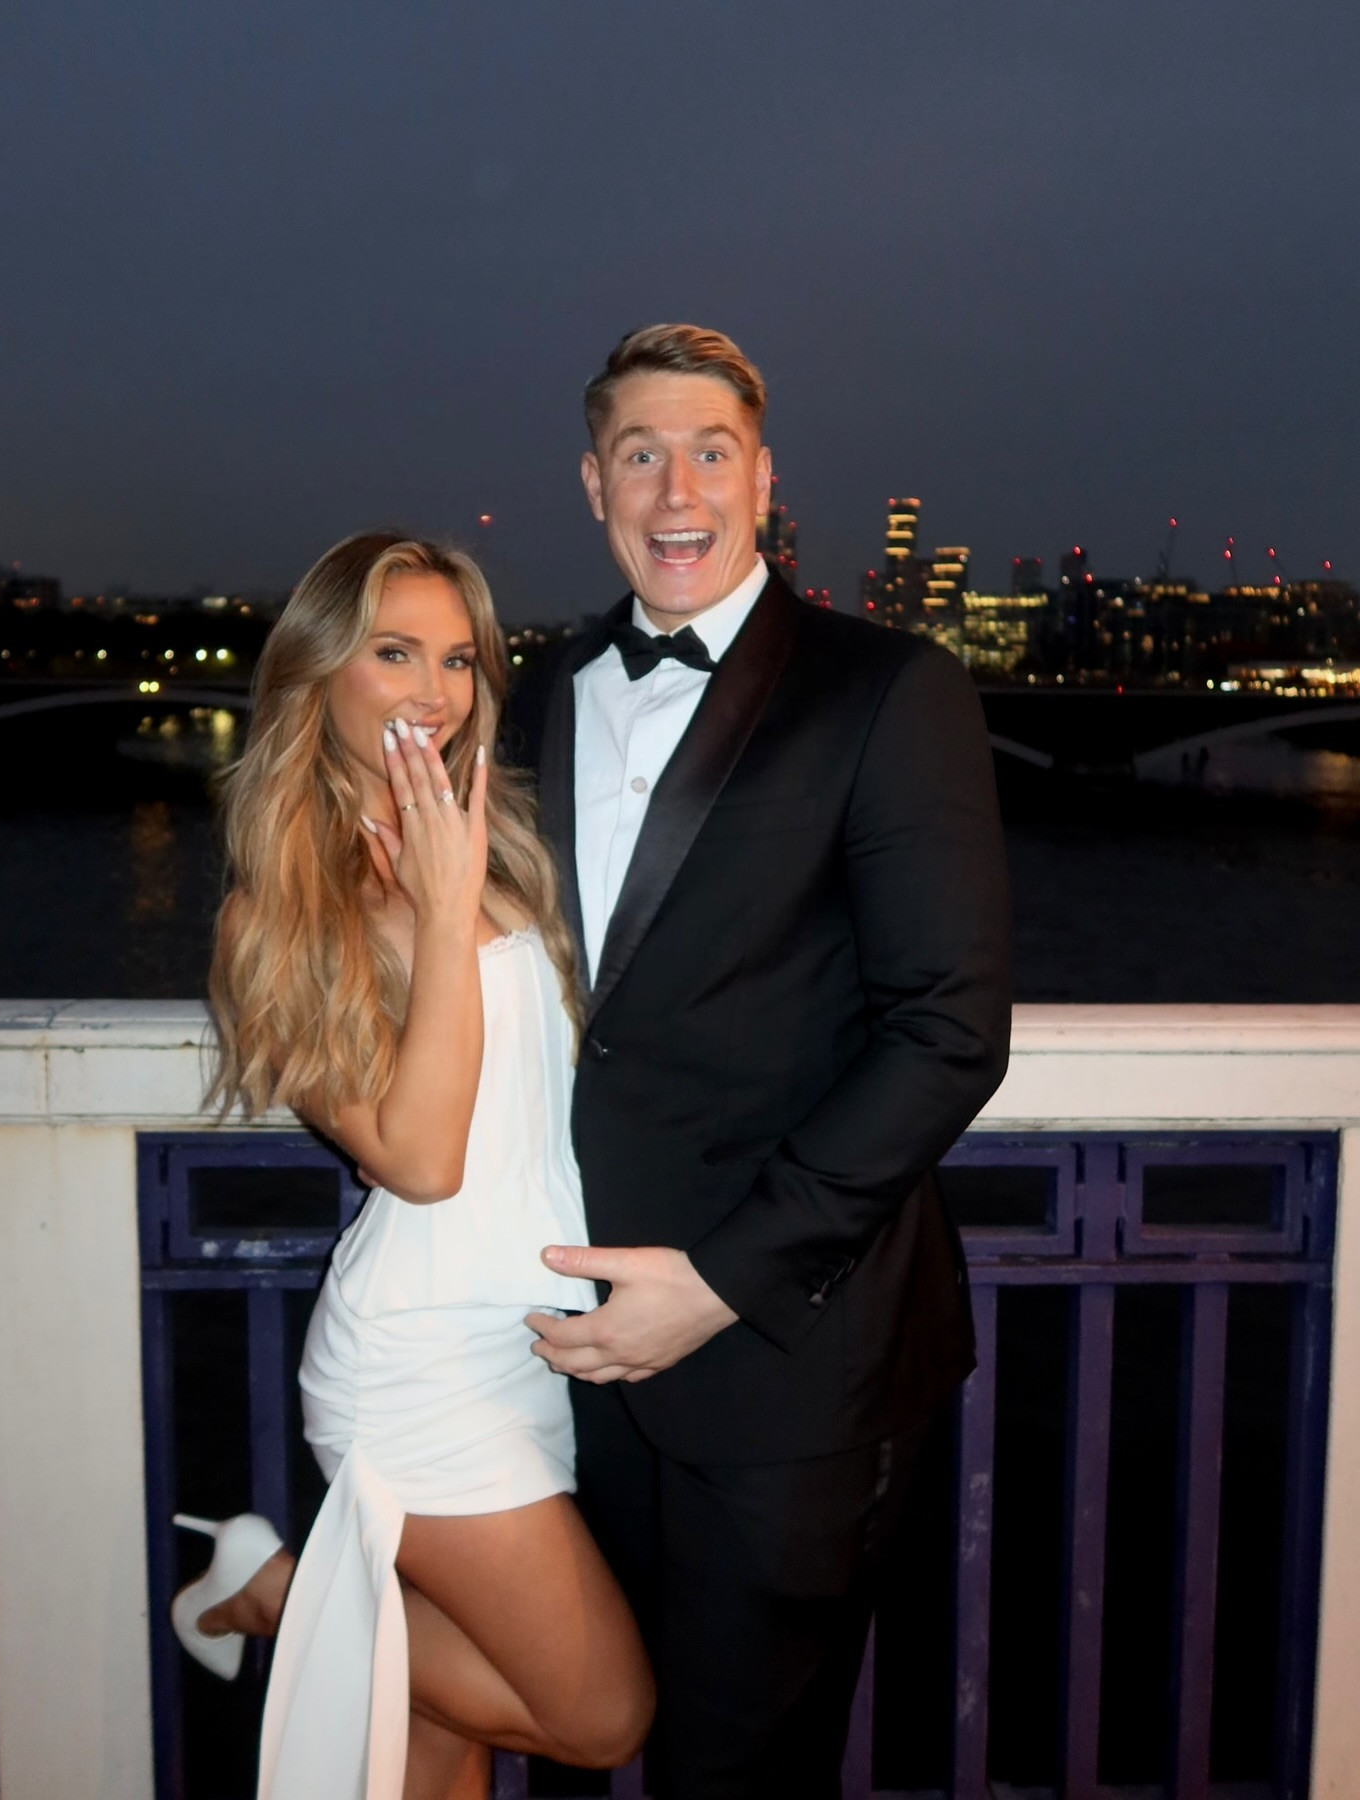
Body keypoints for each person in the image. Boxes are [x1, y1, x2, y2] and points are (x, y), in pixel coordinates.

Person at [514, 324, 1012, 1798]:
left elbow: (948, 1031)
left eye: (711, 451)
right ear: (592, 481)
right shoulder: (544, 689)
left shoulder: (887, 689)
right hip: (577, 1358)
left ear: (764, 480)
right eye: (643, 452)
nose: (678, 486)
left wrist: (720, 1283)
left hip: (793, 1366)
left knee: (742, 1774)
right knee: (595, 1735)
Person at [170, 531, 653, 1800]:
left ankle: (283, 1595)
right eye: (394, 653)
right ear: (322, 672)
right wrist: (440, 915)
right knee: (600, 1713)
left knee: (442, 1759)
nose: (435, 690)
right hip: (422, 1363)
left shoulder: (499, 846)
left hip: (535, 1343)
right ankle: (273, 1592)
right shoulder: (280, 901)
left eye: (457, 657)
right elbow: (423, 1160)